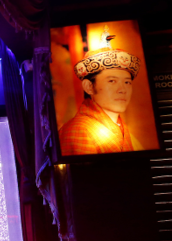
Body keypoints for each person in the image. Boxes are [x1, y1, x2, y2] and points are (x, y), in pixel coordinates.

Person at [59, 27, 141, 156]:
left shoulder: (121, 127)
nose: (122, 90)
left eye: (127, 82)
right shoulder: (78, 131)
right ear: (89, 87)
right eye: (112, 81)